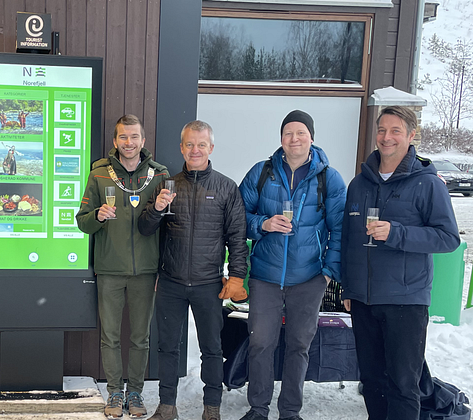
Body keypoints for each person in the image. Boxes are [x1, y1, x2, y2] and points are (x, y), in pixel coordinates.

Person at [341, 105, 459, 420]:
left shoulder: (428, 184)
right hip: (365, 301)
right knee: (371, 381)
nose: (386, 137)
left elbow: (448, 238)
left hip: (405, 302)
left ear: (410, 135)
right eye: (382, 130)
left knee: (404, 385)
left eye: (395, 131)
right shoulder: (359, 184)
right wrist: (349, 290)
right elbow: (349, 242)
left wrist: (397, 233)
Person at [237, 110, 346, 420]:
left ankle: (290, 411)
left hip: (309, 278)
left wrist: (327, 274)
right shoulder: (262, 172)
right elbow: (238, 218)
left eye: (300, 133)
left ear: (311, 137)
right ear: (281, 138)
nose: (294, 139)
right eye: (288, 133)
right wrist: (263, 223)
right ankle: (258, 409)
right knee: (261, 344)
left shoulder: (329, 178)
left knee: (299, 345)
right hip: (266, 276)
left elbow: (340, 231)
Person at [138, 120, 249, 420]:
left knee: (212, 349)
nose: (195, 150)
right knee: (167, 347)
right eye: (189, 144)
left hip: (208, 283)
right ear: (181, 148)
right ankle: (167, 406)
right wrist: (157, 209)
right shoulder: (167, 185)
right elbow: (145, 228)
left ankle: (211, 408)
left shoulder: (226, 188)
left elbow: (237, 238)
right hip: (171, 282)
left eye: (201, 144)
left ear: (211, 148)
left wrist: (237, 275)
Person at [76, 115, 169, 419]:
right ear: (115, 142)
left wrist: (162, 268)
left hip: (146, 270)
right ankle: (115, 392)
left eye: (134, 137)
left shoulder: (159, 175)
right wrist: (98, 216)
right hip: (110, 269)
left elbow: (169, 226)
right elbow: (82, 222)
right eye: (123, 138)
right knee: (111, 336)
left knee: (140, 336)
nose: (129, 143)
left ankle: (137, 394)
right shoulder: (99, 175)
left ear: (143, 141)